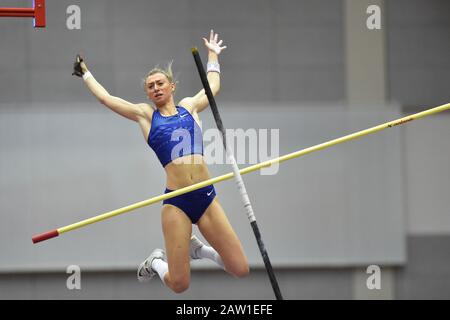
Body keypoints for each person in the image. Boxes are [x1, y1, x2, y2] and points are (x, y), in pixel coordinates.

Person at [72, 30, 249, 293]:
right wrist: (85, 73)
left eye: (160, 83)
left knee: (240, 269)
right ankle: (155, 261)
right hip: (177, 201)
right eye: (150, 86)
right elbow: (107, 99)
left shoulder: (189, 107)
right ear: (147, 93)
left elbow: (212, 87)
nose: (155, 88)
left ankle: (198, 251)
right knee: (179, 285)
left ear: (172, 86)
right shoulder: (146, 116)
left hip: (206, 196)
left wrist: (213, 54)